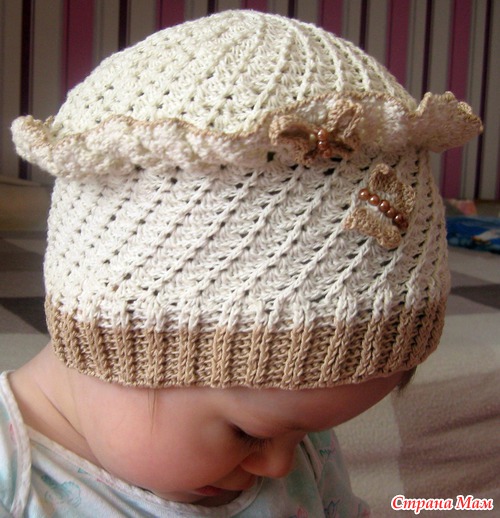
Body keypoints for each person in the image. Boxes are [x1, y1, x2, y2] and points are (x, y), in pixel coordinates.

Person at [4, 9, 481, 518]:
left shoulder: (300, 443)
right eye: (248, 435)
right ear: (118, 341)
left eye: (309, 431)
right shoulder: (15, 481)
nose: (280, 465)